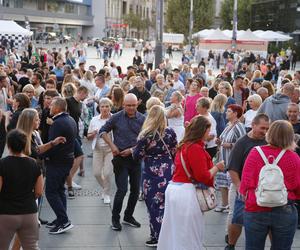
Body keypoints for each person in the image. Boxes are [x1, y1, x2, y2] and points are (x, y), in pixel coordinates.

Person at [157, 116, 225, 250]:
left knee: (175, 230)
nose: (209, 133)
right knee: (189, 233)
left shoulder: (184, 145)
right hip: (187, 193)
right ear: (202, 130)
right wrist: (217, 167)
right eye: (208, 130)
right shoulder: (195, 148)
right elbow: (203, 176)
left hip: (176, 190)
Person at [240, 120, 300, 250]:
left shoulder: (255, 153)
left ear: (270, 133)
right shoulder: (294, 158)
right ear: (291, 136)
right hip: (284, 208)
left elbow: (245, 182)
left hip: (255, 207)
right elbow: (297, 186)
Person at [99, 93, 145, 231]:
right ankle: (115, 218)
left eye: (133, 105)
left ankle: (128, 216)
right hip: (120, 159)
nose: (131, 108)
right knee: (122, 189)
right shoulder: (117, 117)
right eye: (128, 105)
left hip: (135, 158)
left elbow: (146, 140)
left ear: (137, 104)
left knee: (136, 190)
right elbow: (102, 131)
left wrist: (132, 150)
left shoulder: (143, 119)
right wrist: (112, 146)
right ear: (123, 105)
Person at [133, 105, 177, 247]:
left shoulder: (145, 134)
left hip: (151, 173)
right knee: (166, 205)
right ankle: (169, 235)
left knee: (153, 205)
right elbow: (174, 151)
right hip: (168, 171)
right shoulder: (170, 132)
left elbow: (137, 155)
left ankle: (156, 236)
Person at [225, 114, 270, 250]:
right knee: (237, 217)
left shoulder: (268, 141)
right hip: (241, 185)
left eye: (267, 128)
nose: (265, 131)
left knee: (266, 219)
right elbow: (232, 168)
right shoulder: (242, 142)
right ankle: (231, 244)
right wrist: (240, 188)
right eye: (262, 128)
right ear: (253, 125)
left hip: (262, 187)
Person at [0, 129, 43, 250]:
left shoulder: (2, 164)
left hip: (6, 213)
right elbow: (39, 191)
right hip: (29, 212)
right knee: (31, 247)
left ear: (8, 145)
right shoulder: (34, 164)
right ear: (25, 145)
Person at [44, 97, 77, 234]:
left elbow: (53, 144)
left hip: (57, 162)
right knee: (59, 190)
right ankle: (60, 218)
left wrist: (40, 154)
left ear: (57, 107)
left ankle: (64, 221)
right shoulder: (70, 119)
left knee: (51, 192)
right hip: (66, 160)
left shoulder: (57, 123)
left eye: (51, 105)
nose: (50, 107)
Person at [215, 104, 246, 213]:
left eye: (228, 111)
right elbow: (223, 139)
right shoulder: (229, 125)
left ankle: (231, 205)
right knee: (223, 182)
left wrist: (231, 145)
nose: (226, 113)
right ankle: (224, 204)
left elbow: (243, 143)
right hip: (223, 159)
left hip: (232, 160)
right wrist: (219, 142)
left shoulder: (239, 126)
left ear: (235, 113)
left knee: (230, 183)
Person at [87, 98, 113, 204]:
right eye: (102, 106)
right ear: (99, 108)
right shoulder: (94, 120)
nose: (105, 108)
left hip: (110, 150)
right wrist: (93, 133)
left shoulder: (114, 118)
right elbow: (88, 137)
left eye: (107, 106)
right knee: (97, 173)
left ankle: (106, 194)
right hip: (97, 149)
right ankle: (105, 188)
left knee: (107, 173)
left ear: (110, 107)